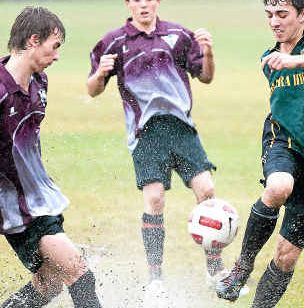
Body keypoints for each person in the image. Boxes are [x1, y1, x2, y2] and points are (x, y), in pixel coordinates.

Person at [0, 7, 101, 308]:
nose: (57, 55)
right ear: (34, 40)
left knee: (49, 282)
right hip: (17, 211)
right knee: (81, 275)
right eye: (54, 46)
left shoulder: (39, 82)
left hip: (42, 201)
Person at [216, 0, 304, 306]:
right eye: (269, 15)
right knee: (278, 186)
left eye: (282, 14)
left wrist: (295, 61)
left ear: (303, 14)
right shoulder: (269, 57)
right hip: (282, 142)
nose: (274, 22)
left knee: (285, 257)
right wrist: (287, 60)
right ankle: (241, 268)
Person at [86, 0, 230, 293]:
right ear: (129, 3)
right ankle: (155, 280)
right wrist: (100, 73)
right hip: (145, 132)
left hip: (181, 128)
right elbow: (92, 89)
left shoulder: (178, 35)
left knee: (207, 191)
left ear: (156, 2)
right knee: (154, 200)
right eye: (136, 0)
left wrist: (209, 53)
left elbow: (206, 77)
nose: (143, 5)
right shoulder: (114, 41)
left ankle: (215, 271)